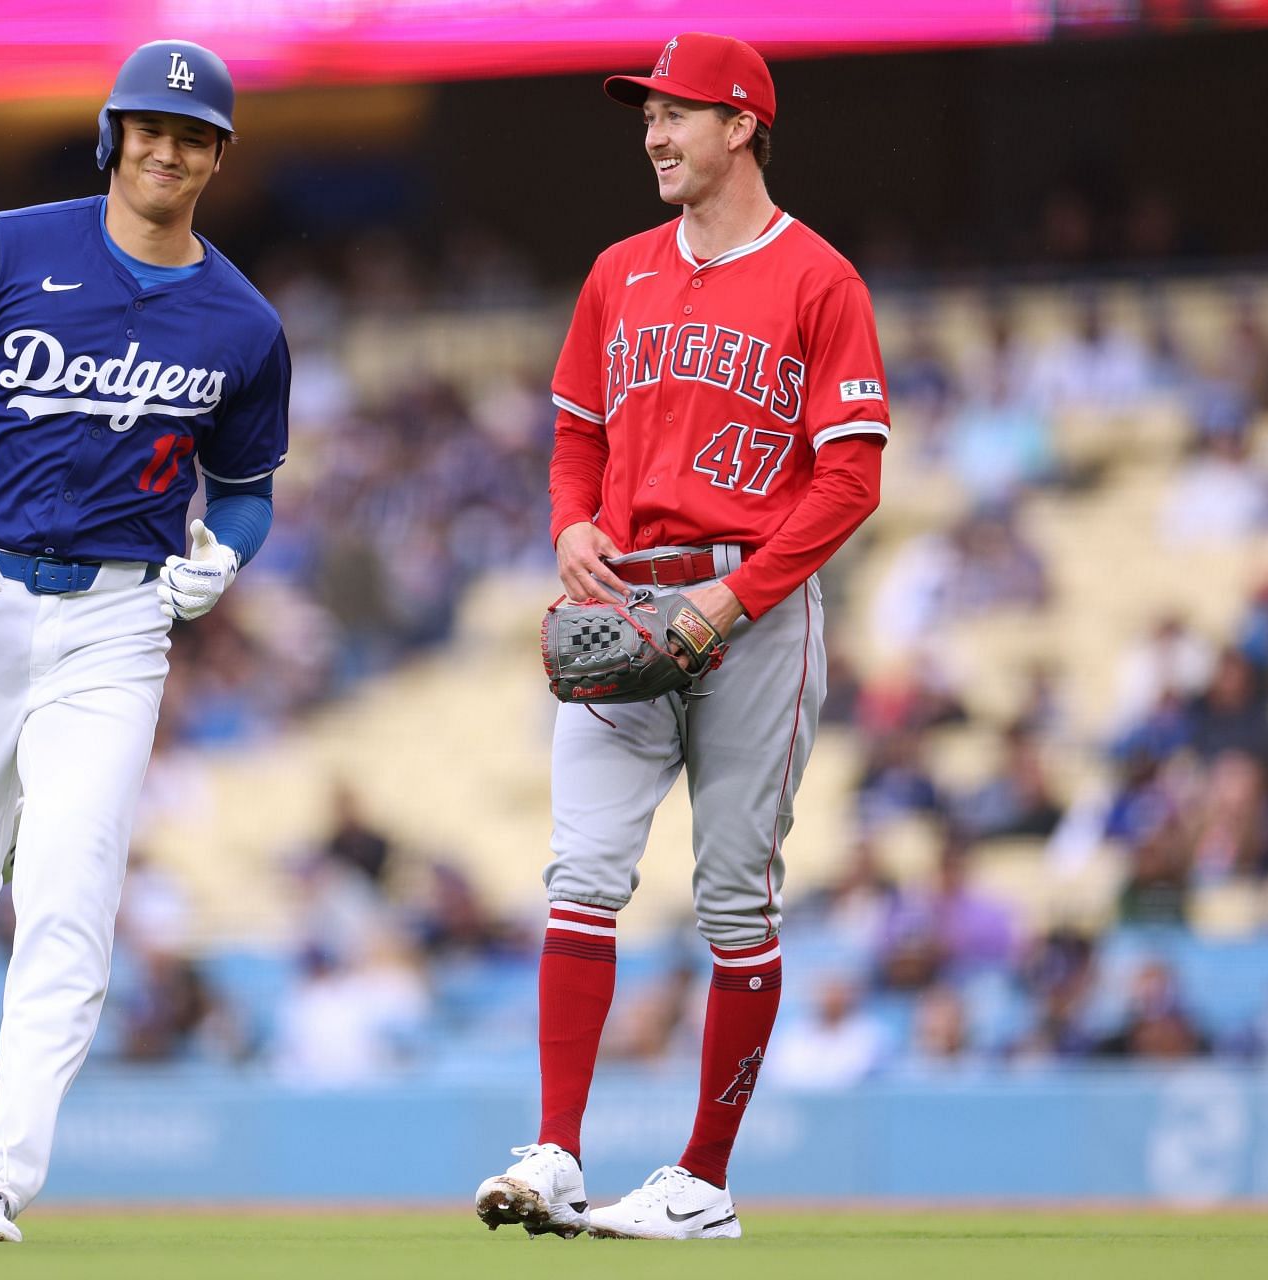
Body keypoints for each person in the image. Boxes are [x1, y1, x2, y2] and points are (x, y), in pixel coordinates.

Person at [0, 39, 289, 1243]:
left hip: (117, 619)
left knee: (73, 893)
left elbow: (245, 484)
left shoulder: (243, 321)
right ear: (113, 133)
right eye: (152, 126)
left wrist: (224, 556)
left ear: (217, 159)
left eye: (194, 136)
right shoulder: (5, 247)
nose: (169, 148)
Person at [475, 32, 886, 1241]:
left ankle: (702, 1178)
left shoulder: (821, 280)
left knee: (732, 899)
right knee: (582, 874)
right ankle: (555, 1152)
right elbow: (576, 439)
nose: (654, 134)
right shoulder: (619, 272)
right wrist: (567, 529)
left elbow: (848, 478)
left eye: (677, 114)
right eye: (647, 115)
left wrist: (740, 595)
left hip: (751, 615)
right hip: (625, 600)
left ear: (743, 125)